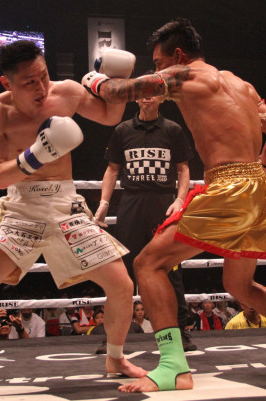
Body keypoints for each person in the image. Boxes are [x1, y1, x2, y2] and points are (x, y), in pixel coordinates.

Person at [89, 18, 266, 392]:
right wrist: (259, 172)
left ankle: (173, 367)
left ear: (178, 55)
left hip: (229, 187)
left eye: (158, 62)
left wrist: (93, 78)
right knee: (240, 285)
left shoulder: (185, 76)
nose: (158, 70)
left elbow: (116, 92)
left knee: (148, 264)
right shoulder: (242, 85)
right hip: (259, 188)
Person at [0, 40, 146, 393]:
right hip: (22, 207)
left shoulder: (66, 92)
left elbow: (110, 116)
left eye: (44, 76)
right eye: (29, 82)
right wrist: (36, 155)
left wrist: (117, 83)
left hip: (66, 205)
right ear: (7, 83)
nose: (41, 87)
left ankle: (115, 357)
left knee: (122, 285)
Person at [94, 82, 196, 351]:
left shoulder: (172, 129)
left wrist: (179, 201)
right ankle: (114, 336)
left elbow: (183, 169)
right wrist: (104, 203)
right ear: (136, 99)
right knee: (122, 271)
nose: (147, 98)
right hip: (131, 203)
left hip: (163, 203)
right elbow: (112, 169)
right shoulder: (123, 130)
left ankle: (180, 333)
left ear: (162, 98)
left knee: (170, 267)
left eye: (152, 94)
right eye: (142, 94)